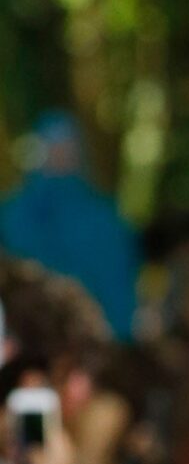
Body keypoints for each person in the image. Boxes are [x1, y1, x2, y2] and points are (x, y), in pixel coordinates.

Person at [0, 114, 138, 340]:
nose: (60, 154)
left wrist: (118, 335)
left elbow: (118, 283)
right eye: (54, 147)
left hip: (94, 334)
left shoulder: (102, 216)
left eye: (66, 147)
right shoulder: (19, 213)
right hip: (37, 333)